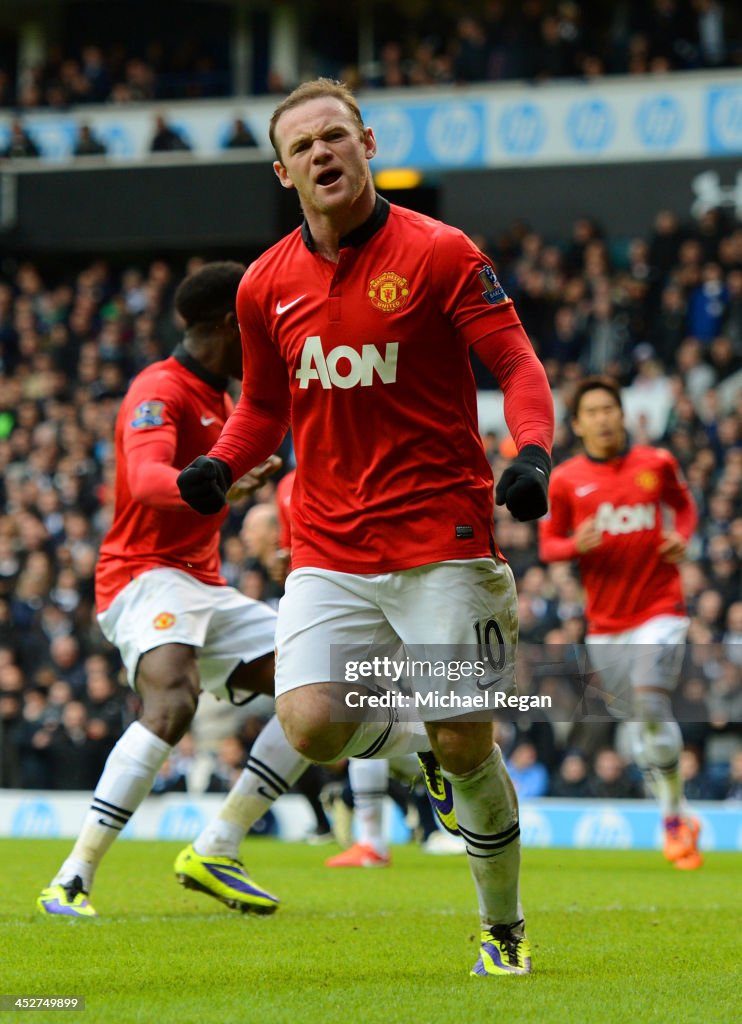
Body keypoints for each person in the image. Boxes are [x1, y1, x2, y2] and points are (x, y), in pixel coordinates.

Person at [178, 78, 554, 977]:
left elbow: (517, 360)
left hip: (443, 537)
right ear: (283, 170)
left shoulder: (440, 252)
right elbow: (263, 410)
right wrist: (222, 465)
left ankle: (501, 929)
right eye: (303, 145)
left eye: (336, 136)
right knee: (309, 726)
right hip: (329, 544)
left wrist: (533, 455)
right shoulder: (265, 284)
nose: (322, 153)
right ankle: (420, 739)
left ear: (368, 143)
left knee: (471, 744)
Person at [38, 260, 430, 919]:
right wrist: (202, 483)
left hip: (203, 584)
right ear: (231, 323)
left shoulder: (226, 403)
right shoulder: (158, 388)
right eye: (257, 321)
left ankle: (218, 844)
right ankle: (72, 877)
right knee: (172, 698)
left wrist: (229, 488)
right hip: (143, 576)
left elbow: (196, 491)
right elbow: (146, 479)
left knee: (316, 691)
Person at [539, 375, 702, 869]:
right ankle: (679, 813)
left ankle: (671, 818)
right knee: (643, 724)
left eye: (611, 408)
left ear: (622, 413)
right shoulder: (566, 479)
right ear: (578, 423)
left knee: (651, 700)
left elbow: (684, 507)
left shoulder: (657, 463)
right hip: (606, 624)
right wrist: (575, 546)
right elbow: (549, 545)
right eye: (593, 411)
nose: (604, 417)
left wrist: (684, 538)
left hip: (660, 607)